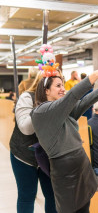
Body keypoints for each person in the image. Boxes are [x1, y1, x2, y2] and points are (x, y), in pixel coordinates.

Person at [30, 65, 98, 213]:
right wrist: (95, 75)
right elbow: (72, 96)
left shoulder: (61, 111)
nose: (62, 89)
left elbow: (82, 103)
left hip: (81, 166)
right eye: (58, 86)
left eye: (63, 85)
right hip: (66, 172)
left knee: (84, 208)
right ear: (46, 91)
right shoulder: (41, 112)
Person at [9, 71, 57, 213]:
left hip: (47, 155)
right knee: (27, 196)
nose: (62, 89)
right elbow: (26, 128)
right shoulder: (27, 97)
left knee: (52, 195)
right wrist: (45, 107)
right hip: (23, 155)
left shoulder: (58, 100)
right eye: (58, 84)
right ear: (46, 86)